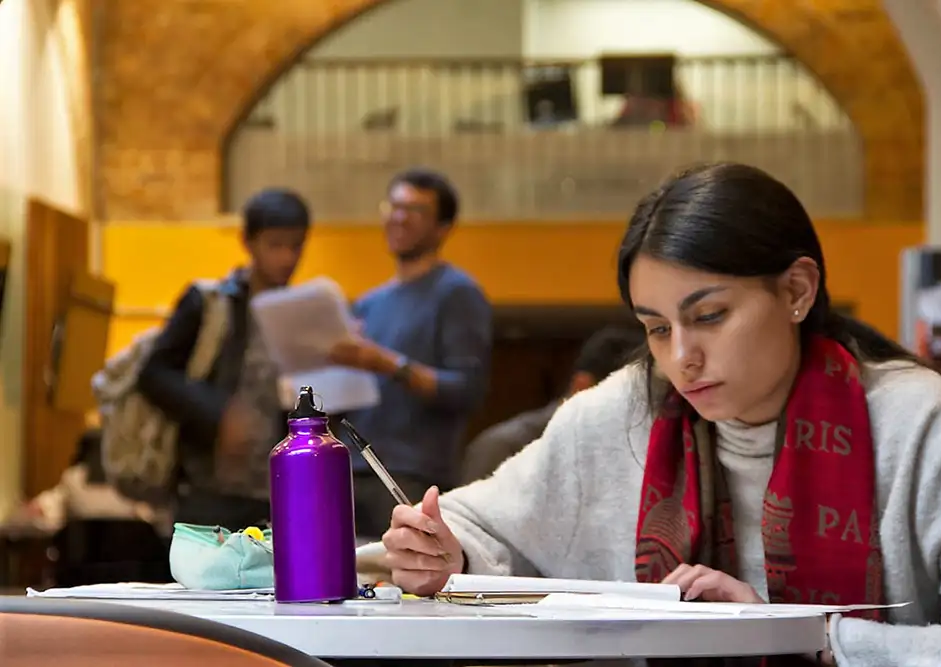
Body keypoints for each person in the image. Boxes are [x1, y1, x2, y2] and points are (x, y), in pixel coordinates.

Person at [382, 163, 941, 666]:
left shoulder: (912, 422)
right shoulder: (623, 413)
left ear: (796, 292)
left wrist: (805, 636)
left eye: (709, 316)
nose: (682, 358)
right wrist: (442, 552)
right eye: (655, 328)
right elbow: (475, 525)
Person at [329, 168, 492, 539]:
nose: (399, 217)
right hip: (348, 471)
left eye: (415, 210)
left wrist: (386, 364)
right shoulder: (369, 303)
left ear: (443, 227)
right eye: (394, 206)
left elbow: (466, 389)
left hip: (411, 476)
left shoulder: (457, 293)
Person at [137, 189, 311, 530]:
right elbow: (154, 374)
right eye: (275, 245)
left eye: (296, 246)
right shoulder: (209, 304)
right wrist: (218, 413)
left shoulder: (302, 315)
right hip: (208, 488)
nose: (287, 258)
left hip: (277, 491)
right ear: (247, 241)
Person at [459, 325, 643, 485]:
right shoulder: (505, 447)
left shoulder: (622, 455)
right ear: (583, 386)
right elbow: (466, 524)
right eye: (629, 400)